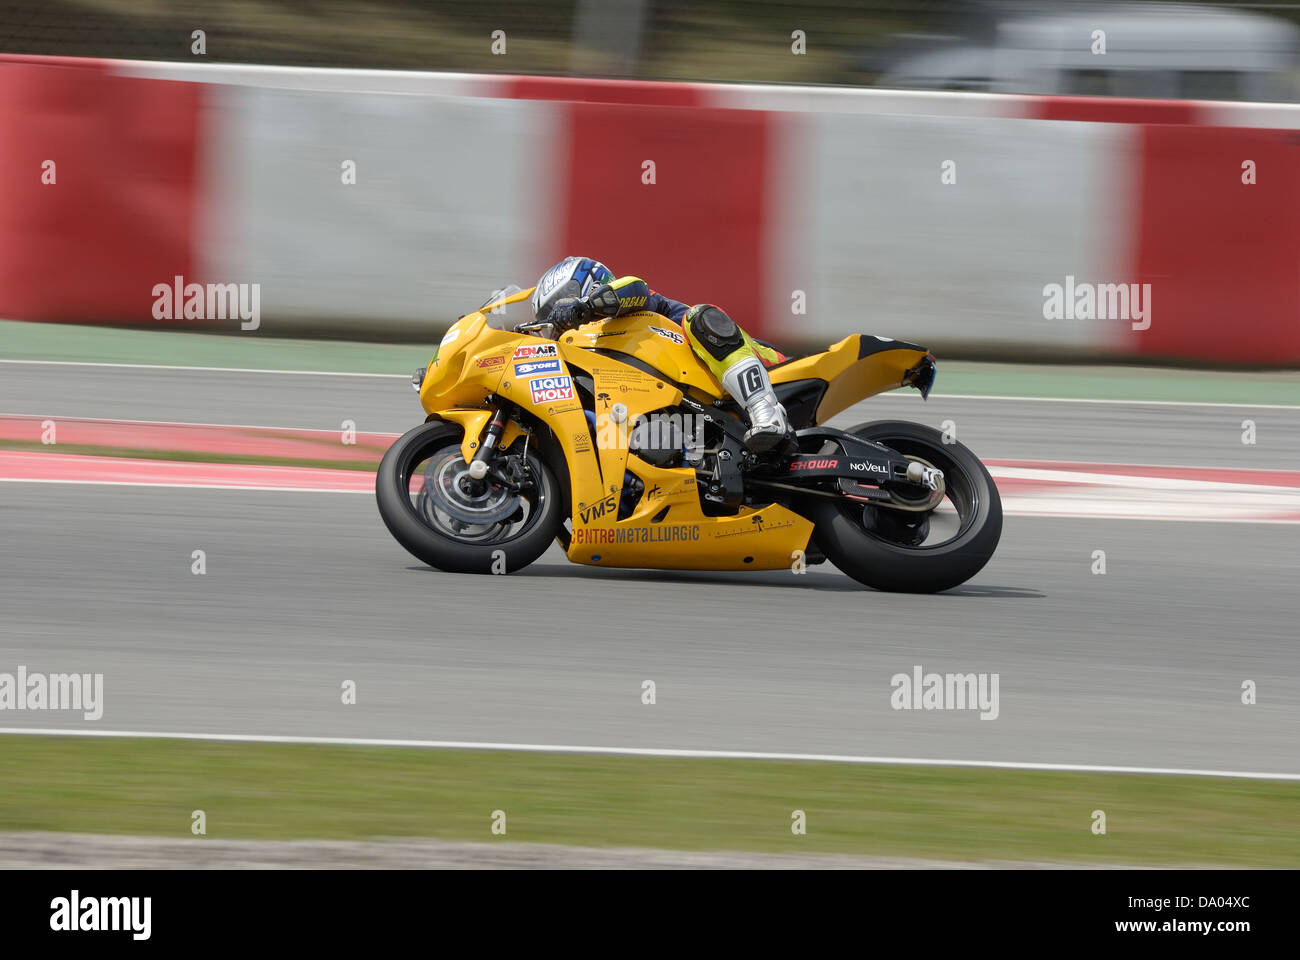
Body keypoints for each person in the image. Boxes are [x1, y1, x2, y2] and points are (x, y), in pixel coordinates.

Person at [529, 256, 794, 452]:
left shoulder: (631, 307)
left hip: (769, 367)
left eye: (556, 311)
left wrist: (582, 308)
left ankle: (766, 411)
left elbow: (637, 287)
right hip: (704, 413)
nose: (555, 323)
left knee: (699, 316)